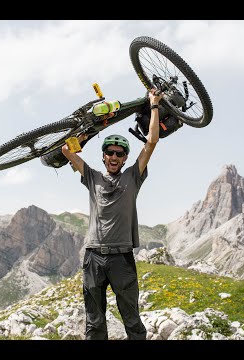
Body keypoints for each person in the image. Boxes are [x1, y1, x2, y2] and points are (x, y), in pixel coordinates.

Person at [61, 88, 163, 340]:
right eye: (110, 153)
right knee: (94, 322)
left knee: (131, 318)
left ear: (125, 157)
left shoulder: (133, 176)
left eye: (120, 154)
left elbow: (151, 142)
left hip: (122, 258)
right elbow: (66, 150)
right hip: (94, 257)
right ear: (104, 156)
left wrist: (154, 105)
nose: (114, 157)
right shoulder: (91, 176)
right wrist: (88, 130)